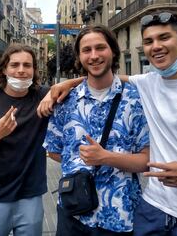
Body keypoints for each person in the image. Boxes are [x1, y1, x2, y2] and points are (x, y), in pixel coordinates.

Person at [44, 11, 177, 235]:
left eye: (164, 37)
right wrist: (63, 86)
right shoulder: (147, 83)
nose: (156, 46)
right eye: (148, 41)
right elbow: (99, 77)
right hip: (153, 211)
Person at [43, 25, 150, 235]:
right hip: (73, 213)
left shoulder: (136, 99)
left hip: (120, 215)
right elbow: (54, 150)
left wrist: (105, 158)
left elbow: (146, 160)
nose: (94, 56)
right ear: (79, 56)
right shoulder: (65, 101)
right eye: (86, 50)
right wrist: (78, 161)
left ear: (113, 51)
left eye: (100, 48)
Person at [0, 43, 50, 236]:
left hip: (31, 195)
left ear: (34, 70)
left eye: (27, 65)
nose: (21, 70)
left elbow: (85, 83)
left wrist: (58, 88)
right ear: (4, 69)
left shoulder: (44, 96)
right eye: (15, 65)